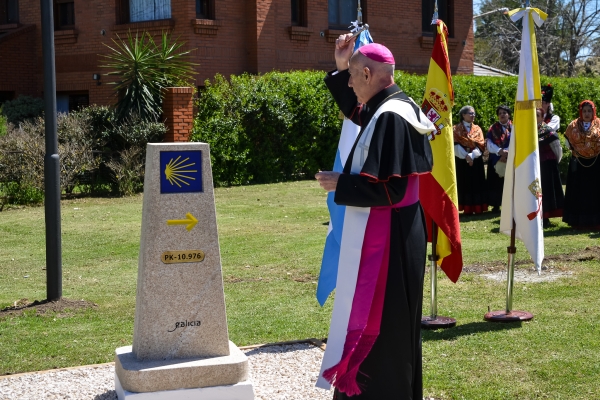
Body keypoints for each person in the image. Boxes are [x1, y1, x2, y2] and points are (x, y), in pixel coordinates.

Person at [315, 37, 434, 399]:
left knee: (386, 328)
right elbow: (357, 109)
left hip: (391, 240)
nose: (350, 84)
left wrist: (342, 184)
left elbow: (392, 190)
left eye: (352, 75)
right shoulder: (390, 105)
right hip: (401, 231)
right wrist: (339, 65)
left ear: (369, 73)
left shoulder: (392, 117)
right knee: (393, 329)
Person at [562, 100, 600, 229]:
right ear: (581, 112)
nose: (587, 113)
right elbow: (567, 142)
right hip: (578, 163)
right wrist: (577, 150)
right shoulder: (573, 125)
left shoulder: (599, 124)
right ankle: (577, 221)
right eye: (584, 111)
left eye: (589, 111)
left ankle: (596, 221)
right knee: (578, 191)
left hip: (596, 164)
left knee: (595, 192)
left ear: (593, 111)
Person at [453, 105, 487, 214]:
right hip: (461, 160)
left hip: (476, 160)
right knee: (464, 183)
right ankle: (466, 208)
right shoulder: (455, 129)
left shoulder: (477, 129)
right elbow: (454, 144)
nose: (473, 115)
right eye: (470, 113)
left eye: (474, 113)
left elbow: (481, 144)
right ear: (463, 115)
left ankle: (478, 208)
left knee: (477, 183)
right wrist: (466, 156)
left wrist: (472, 155)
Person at [536, 107, 564, 228]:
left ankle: (546, 217)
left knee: (547, 191)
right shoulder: (528, 131)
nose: (535, 118)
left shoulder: (548, 131)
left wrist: (553, 163)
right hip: (534, 165)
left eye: (537, 115)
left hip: (547, 166)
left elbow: (558, 149)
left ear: (542, 118)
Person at [486, 105, 512, 213]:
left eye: (504, 113)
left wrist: (507, 153)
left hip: (510, 158)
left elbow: (516, 142)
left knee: (509, 183)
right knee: (495, 182)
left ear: (509, 115)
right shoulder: (492, 128)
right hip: (495, 158)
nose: (502, 115)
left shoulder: (515, 127)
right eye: (500, 113)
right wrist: (500, 152)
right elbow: (489, 143)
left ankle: (509, 204)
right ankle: (495, 205)